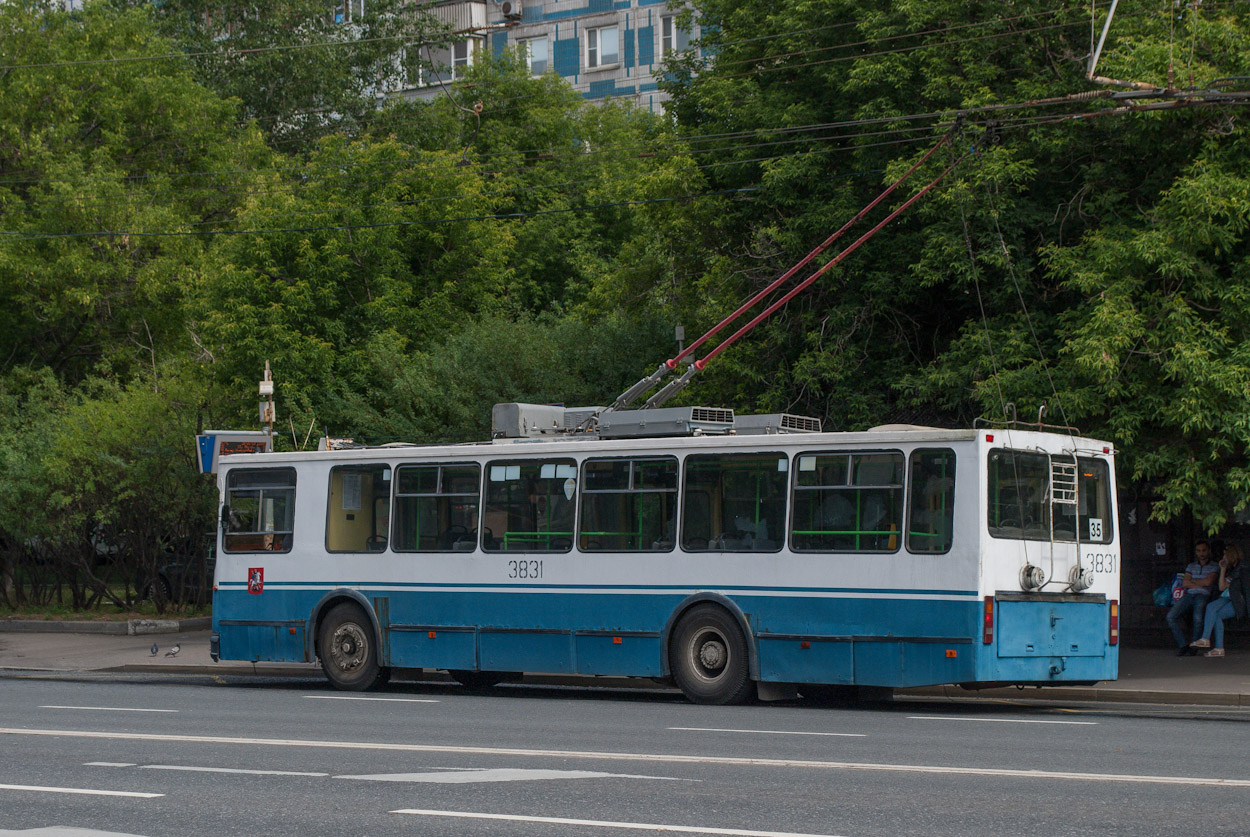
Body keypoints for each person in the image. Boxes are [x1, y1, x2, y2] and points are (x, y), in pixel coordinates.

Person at [1190, 544, 1247, 657]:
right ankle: (1215, 646)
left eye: (1225, 555)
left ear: (1231, 555)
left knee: (1214, 612)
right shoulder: (1232, 568)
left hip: (1238, 601)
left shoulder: (1241, 568)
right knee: (1211, 608)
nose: (1224, 557)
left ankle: (1213, 644)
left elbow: (1226, 587)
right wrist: (1223, 569)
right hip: (1229, 597)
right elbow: (1222, 587)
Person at [1166, 540, 1219, 655]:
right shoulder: (1191, 566)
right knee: (1170, 616)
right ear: (1196, 552)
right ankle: (1183, 645)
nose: (1201, 553)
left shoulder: (1214, 566)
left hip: (1203, 595)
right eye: (1199, 551)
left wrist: (1193, 581)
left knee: (1198, 619)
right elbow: (1185, 583)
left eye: (1204, 550)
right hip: (1190, 594)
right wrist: (1201, 582)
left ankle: (1194, 647)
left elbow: (1209, 582)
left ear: (1209, 551)